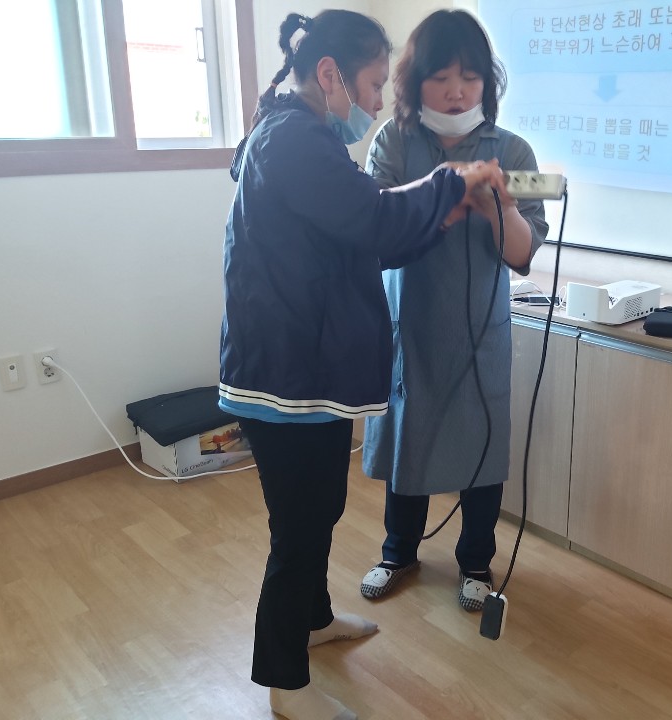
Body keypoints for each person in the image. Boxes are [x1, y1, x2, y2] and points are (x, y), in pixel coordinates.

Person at [219, 10, 509, 720]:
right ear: (330, 75)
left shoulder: (305, 134)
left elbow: (367, 234)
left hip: (303, 376)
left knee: (319, 511)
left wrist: (438, 210)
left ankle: (313, 621)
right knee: (298, 532)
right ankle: (285, 684)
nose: (378, 101)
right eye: (375, 84)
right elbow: (375, 218)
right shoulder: (292, 140)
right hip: (283, 377)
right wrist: (453, 182)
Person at [359, 10, 548, 613]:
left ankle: (475, 563)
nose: (456, 91)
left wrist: (499, 208)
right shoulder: (393, 141)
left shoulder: (510, 150)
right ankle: (398, 551)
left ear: (487, 83)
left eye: (469, 77)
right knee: (408, 440)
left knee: (482, 447)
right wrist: (440, 192)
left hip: (479, 331)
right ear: (415, 82)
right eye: (441, 77)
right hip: (410, 325)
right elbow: (374, 223)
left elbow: (521, 255)